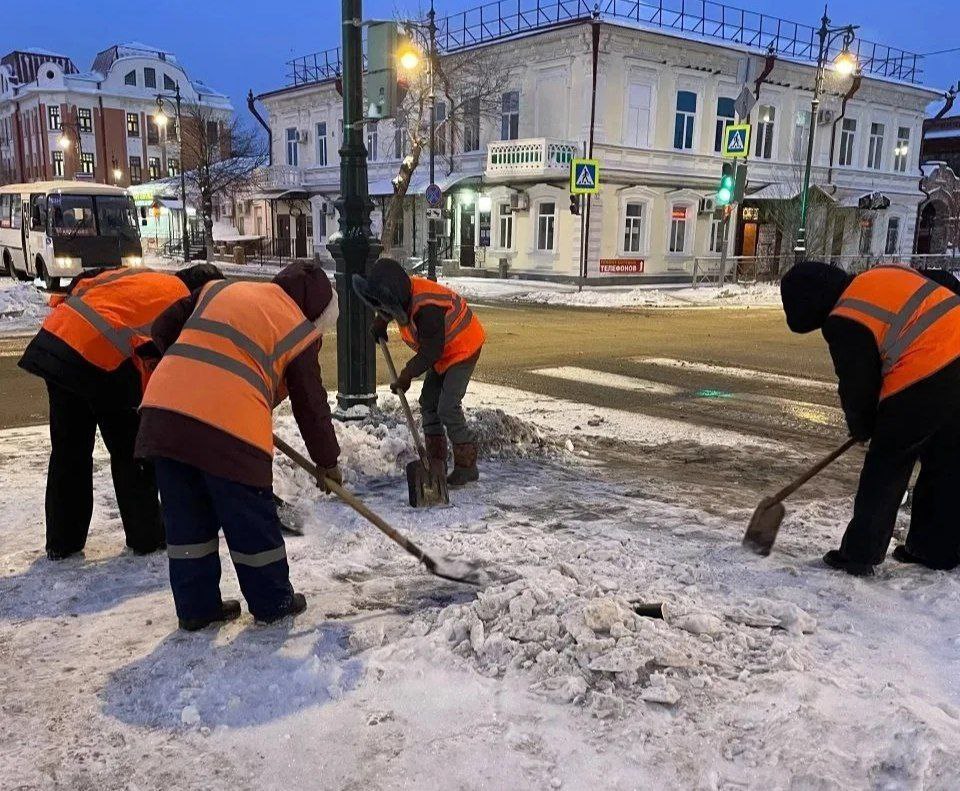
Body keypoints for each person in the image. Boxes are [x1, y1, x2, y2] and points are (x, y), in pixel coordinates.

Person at [136, 261, 341, 630]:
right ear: (317, 311)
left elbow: (162, 327)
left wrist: (193, 376)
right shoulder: (297, 327)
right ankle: (273, 602)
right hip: (230, 425)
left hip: (164, 411)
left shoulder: (219, 289)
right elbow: (310, 403)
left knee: (187, 519)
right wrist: (328, 462)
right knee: (249, 516)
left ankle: (197, 609)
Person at [18, 263, 223, 560]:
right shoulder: (182, 306)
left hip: (57, 341)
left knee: (69, 452)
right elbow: (164, 370)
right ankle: (146, 536)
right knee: (132, 452)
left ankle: (63, 542)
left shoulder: (143, 275)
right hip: (104, 360)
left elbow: (81, 281)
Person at [780, 261, 960, 575]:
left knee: (887, 464)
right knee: (945, 458)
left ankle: (860, 554)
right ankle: (935, 549)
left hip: (927, 369)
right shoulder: (879, 275)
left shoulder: (845, 317)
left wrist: (864, 424)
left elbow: (858, 385)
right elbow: (943, 280)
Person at [353, 257, 486, 486]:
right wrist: (381, 322)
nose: (386, 311)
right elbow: (385, 303)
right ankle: (436, 463)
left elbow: (431, 351)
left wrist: (407, 374)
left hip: (463, 347)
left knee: (447, 406)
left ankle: (467, 465)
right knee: (428, 403)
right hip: (444, 352)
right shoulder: (402, 294)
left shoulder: (427, 310)